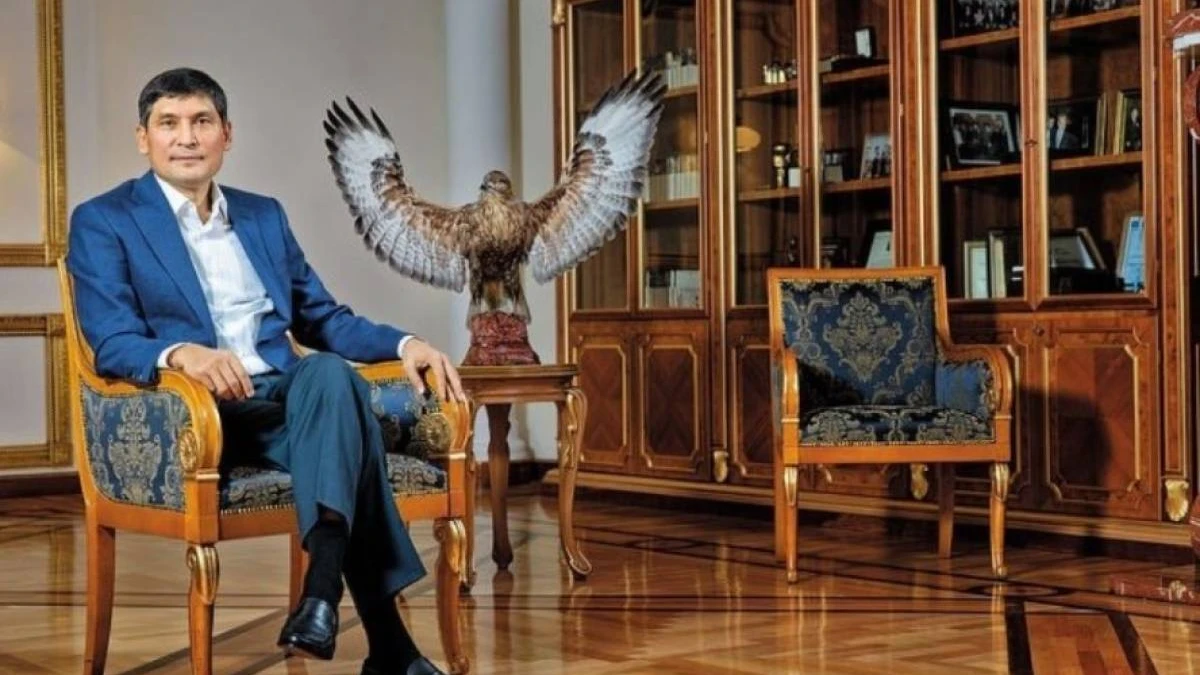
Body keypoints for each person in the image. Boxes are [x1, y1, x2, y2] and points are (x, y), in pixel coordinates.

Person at [66, 67, 464, 675]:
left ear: (226, 134)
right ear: (143, 138)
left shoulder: (262, 216)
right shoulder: (105, 219)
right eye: (168, 124)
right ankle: (386, 645)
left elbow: (320, 317)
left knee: (328, 373)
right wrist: (184, 354)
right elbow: (112, 340)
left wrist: (406, 342)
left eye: (201, 121)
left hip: (283, 396)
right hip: (194, 414)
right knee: (352, 436)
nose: (186, 138)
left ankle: (322, 593)